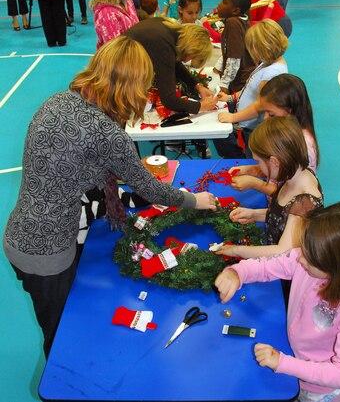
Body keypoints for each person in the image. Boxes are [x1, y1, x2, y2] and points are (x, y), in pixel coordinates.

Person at [3, 36, 217, 359]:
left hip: (19, 234)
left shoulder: (59, 100)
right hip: (47, 255)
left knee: (64, 324)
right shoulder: (106, 133)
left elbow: (69, 172)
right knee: (61, 340)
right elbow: (150, 188)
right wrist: (194, 200)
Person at [215, 201, 340, 402]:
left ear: (336, 267)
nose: (300, 259)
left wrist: (284, 363)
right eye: (303, 249)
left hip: (316, 390)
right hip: (290, 353)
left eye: (309, 257)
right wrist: (238, 273)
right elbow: (268, 266)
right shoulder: (308, 261)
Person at [214, 116, 323, 260]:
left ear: (274, 162)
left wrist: (237, 250)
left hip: (287, 274)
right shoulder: (292, 174)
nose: (259, 167)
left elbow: (283, 251)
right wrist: (254, 215)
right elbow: (281, 216)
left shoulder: (304, 202)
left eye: (259, 161)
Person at [229, 74, 319, 196]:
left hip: (286, 211)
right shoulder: (285, 134)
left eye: (271, 114)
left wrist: (255, 184)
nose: (265, 118)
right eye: (264, 112)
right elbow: (280, 168)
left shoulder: (303, 144)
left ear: (290, 111)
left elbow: (292, 196)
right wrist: (253, 170)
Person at [215, 18, 288, 159]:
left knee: (253, 159)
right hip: (250, 126)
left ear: (263, 47)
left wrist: (233, 117)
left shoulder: (273, 73)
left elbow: (261, 104)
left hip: (255, 128)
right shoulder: (266, 64)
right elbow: (250, 88)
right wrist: (231, 97)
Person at [124, 17, 217, 114]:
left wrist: (197, 86)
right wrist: (201, 107)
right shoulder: (164, 44)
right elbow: (169, 99)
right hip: (118, 73)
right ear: (190, 48)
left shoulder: (167, 29)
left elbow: (173, 63)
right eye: (192, 57)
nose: (188, 60)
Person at [213, 0, 255, 95]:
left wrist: (224, 83)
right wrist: (219, 66)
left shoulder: (233, 23)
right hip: (243, 79)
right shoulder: (242, 20)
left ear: (235, 10)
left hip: (240, 82)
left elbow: (234, 58)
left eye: (224, 2)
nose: (219, 4)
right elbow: (230, 48)